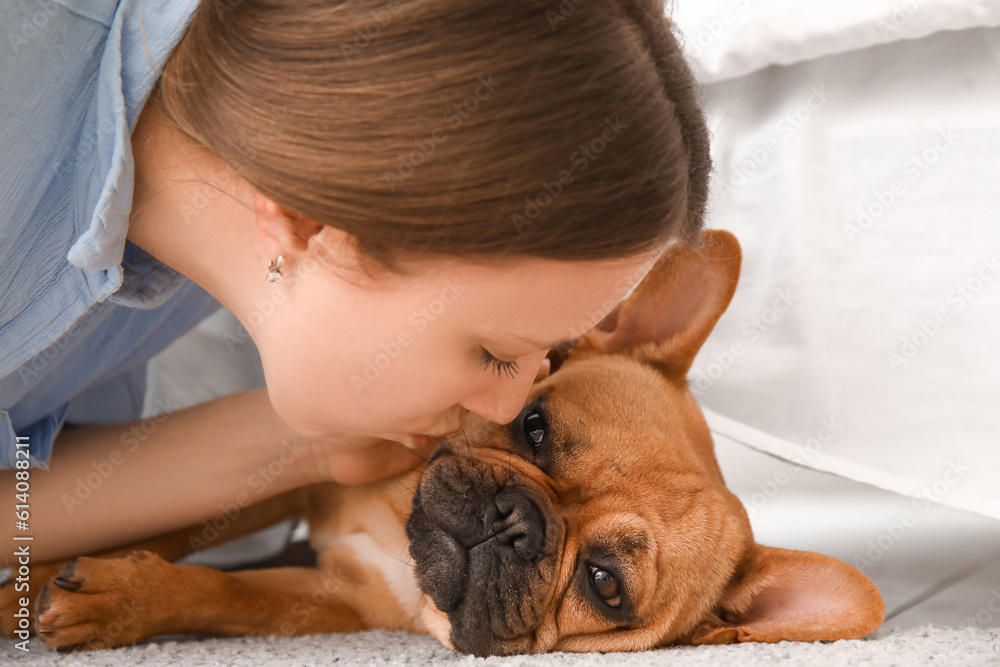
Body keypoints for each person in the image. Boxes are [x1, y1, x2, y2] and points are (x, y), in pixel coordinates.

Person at [0, 0, 711, 568]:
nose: (506, 402)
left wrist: (309, 447)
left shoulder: (209, 242)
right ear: (314, 222)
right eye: (495, 353)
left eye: (541, 356)